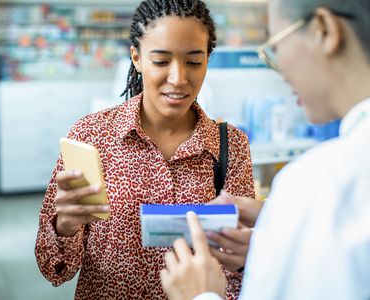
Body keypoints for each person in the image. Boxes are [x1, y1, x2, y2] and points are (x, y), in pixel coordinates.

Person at [35, 1, 255, 299]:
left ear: (207, 60)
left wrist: (248, 256)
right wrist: (65, 227)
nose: (178, 78)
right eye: (161, 61)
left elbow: (236, 270)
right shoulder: (91, 136)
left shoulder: (231, 147)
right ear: (137, 58)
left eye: (193, 62)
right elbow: (53, 268)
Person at [160, 0, 370, 299]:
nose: (278, 67)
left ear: (324, 30)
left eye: (276, 45)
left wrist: (199, 295)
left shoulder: (318, 184)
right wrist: (279, 219)